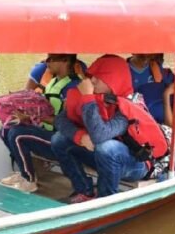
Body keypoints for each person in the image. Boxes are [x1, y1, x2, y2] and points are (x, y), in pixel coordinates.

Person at [51, 55, 156, 203]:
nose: (92, 81)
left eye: (98, 78)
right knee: (59, 139)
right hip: (103, 158)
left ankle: (106, 199)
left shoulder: (129, 105)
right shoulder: (100, 96)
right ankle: (84, 190)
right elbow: (60, 120)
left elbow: (100, 135)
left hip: (135, 164)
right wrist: (79, 136)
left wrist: (87, 97)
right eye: (92, 76)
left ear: (114, 80)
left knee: (106, 146)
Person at [0, 54, 81, 192]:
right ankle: (23, 174)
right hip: (47, 132)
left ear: (65, 60)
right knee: (6, 129)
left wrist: (33, 116)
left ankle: (29, 180)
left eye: (51, 58)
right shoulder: (53, 82)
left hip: (63, 141)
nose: (46, 61)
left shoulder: (73, 87)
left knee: (18, 134)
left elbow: (68, 123)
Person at [127, 54, 175, 123]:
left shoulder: (157, 68)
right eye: (142, 56)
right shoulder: (124, 70)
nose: (146, 58)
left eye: (149, 55)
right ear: (133, 52)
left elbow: (174, 86)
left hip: (162, 120)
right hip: (137, 118)